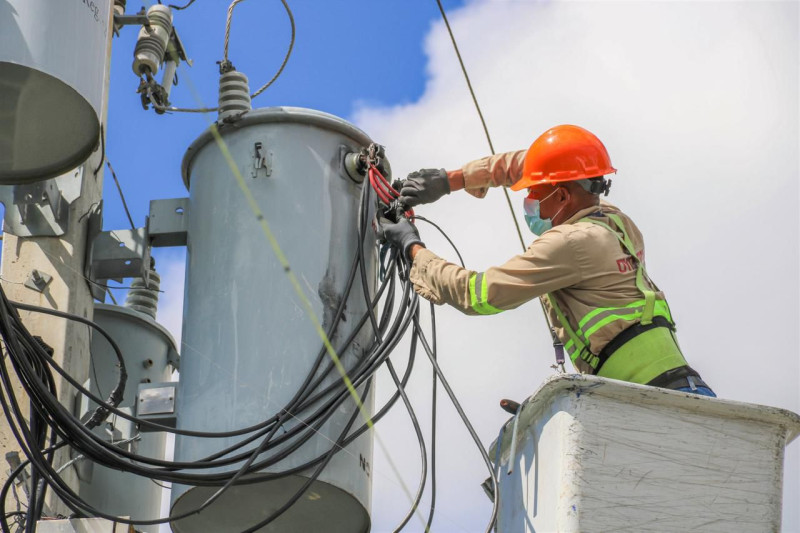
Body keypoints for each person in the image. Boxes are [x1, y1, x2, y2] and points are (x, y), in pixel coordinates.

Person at [381, 124, 715, 397]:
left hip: (649, 401)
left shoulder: (570, 243)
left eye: (534, 192)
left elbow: (478, 294)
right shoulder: (615, 222)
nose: (528, 198)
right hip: (681, 390)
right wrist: (453, 179)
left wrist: (412, 247)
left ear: (563, 195)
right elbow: (536, 164)